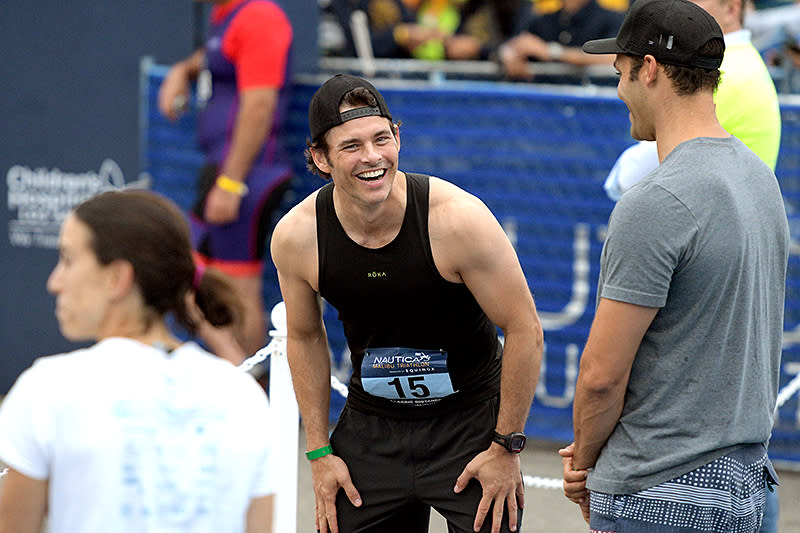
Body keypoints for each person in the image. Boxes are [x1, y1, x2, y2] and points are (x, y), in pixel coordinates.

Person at [270, 73, 544, 533]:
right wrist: (319, 452)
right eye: (352, 146)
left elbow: (524, 330)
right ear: (320, 158)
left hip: (471, 428)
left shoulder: (457, 220)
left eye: (382, 139)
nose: (373, 158)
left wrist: (505, 446)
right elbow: (302, 334)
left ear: (398, 137)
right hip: (372, 430)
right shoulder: (298, 237)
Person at [557, 0, 789, 531]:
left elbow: (600, 376)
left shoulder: (655, 201)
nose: (620, 91)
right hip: (746, 486)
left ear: (650, 70)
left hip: (657, 490)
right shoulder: (761, 180)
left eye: (621, 73)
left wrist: (585, 462)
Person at [0, 189, 276, 533]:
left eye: (68, 260)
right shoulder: (243, 396)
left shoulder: (45, 389)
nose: (54, 282)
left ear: (116, 278)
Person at [157, 0, 294, 363]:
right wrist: (181, 71)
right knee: (194, 270)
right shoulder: (226, 16)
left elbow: (260, 104)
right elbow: (211, 57)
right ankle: (239, 373)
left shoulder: (259, 15)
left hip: (247, 177)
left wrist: (232, 183)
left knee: (238, 286)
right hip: (225, 172)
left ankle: (250, 384)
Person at [603, 0, 782, 201]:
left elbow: (628, 179)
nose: (684, 7)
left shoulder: (727, 72)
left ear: (732, 9)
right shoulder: (742, 63)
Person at [498, 0, 625, 81]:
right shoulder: (543, 21)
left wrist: (553, 52)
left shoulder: (611, 19)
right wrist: (509, 55)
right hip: (546, 105)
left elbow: (615, 56)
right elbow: (513, 44)